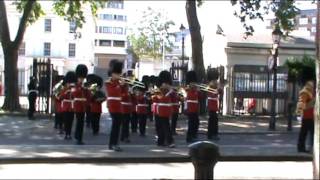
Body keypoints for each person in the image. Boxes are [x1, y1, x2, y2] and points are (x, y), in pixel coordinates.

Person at [296, 66, 315, 153]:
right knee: (311, 133)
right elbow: (302, 101)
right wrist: (299, 114)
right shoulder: (308, 87)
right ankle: (309, 148)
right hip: (309, 114)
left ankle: (301, 147)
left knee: (305, 132)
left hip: (308, 114)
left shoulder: (308, 86)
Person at [106, 60, 124, 151]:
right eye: (117, 73)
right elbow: (112, 91)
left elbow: (124, 94)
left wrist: (124, 85)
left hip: (119, 106)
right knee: (115, 126)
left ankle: (113, 144)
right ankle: (113, 144)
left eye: (119, 73)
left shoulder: (119, 83)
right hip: (112, 105)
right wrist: (120, 85)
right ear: (112, 73)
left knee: (117, 126)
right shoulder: (108, 82)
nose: (118, 75)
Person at [72, 64, 91, 145]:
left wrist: (87, 89)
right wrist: (81, 87)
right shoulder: (75, 84)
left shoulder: (84, 84)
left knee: (81, 122)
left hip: (83, 105)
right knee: (79, 121)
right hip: (77, 105)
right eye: (80, 78)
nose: (82, 79)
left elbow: (88, 95)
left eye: (82, 78)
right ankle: (78, 138)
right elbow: (74, 93)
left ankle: (78, 137)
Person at [155, 70, 175, 147]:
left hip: (166, 109)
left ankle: (160, 141)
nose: (166, 84)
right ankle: (169, 141)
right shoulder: (158, 89)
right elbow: (161, 98)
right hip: (161, 109)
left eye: (166, 83)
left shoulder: (167, 89)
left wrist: (171, 91)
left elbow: (172, 99)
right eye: (165, 83)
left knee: (163, 126)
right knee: (165, 126)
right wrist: (169, 91)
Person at [59, 71, 77, 140]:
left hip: (72, 107)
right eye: (68, 82)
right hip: (66, 107)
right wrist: (66, 92)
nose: (69, 84)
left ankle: (69, 134)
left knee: (71, 121)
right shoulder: (64, 89)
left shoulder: (74, 88)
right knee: (66, 121)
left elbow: (75, 96)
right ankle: (66, 134)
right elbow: (60, 97)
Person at [185, 71, 201, 143]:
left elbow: (200, 97)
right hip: (190, 108)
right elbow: (191, 97)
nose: (194, 84)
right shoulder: (188, 89)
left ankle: (194, 135)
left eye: (194, 83)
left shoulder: (194, 89)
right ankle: (189, 137)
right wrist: (196, 91)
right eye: (193, 83)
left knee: (196, 122)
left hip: (195, 108)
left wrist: (199, 91)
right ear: (189, 83)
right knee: (191, 123)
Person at [207, 69, 220, 140]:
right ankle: (211, 134)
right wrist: (217, 90)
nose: (216, 81)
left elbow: (218, 93)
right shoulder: (209, 86)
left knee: (215, 120)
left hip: (214, 105)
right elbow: (211, 95)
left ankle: (214, 134)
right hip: (211, 105)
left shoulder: (214, 86)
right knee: (212, 121)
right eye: (214, 80)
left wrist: (218, 89)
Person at [120, 73, 132, 143]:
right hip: (122, 108)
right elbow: (120, 96)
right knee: (124, 124)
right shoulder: (120, 86)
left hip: (128, 108)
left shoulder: (128, 86)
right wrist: (127, 94)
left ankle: (124, 137)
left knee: (126, 124)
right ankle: (125, 137)